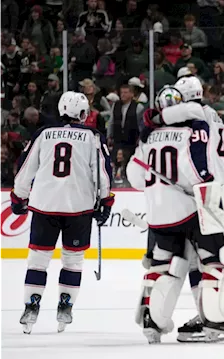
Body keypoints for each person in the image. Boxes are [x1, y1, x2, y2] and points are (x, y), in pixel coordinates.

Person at [127, 82, 224, 343]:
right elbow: (199, 169)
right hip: (191, 209)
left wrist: (159, 186)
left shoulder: (148, 135)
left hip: (159, 214)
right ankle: (214, 319)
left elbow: (134, 176)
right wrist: (206, 188)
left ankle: (153, 321)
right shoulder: (194, 128)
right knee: (215, 258)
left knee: (163, 264)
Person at [12, 91, 113, 334]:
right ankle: (65, 306)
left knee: (38, 259)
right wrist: (105, 201)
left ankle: (31, 305)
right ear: (82, 113)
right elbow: (102, 173)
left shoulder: (44, 134)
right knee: (73, 260)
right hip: (79, 207)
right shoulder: (92, 137)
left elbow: (25, 168)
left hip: (45, 205)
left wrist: (19, 196)